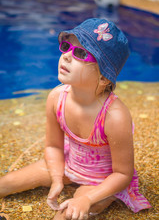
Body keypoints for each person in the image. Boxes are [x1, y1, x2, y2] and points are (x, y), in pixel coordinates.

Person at [0, 18, 151, 219]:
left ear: (104, 77)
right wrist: (56, 178)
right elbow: (53, 146)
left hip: (101, 180)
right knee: (6, 183)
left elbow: (122, 174)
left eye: (80, 53)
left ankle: (96, 198)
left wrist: (86, 199)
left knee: (66, 215)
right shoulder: (57, 97)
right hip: (70, 163)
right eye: (66, 47)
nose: (67, 57)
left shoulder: (114, 116)